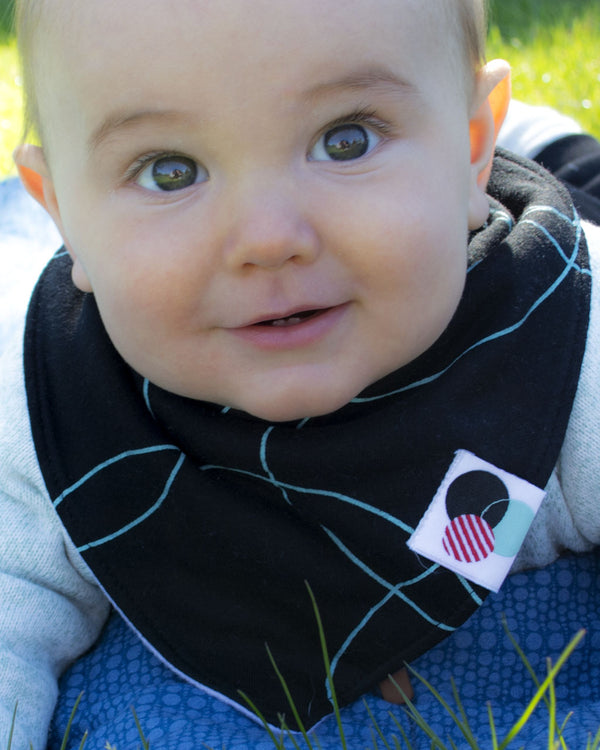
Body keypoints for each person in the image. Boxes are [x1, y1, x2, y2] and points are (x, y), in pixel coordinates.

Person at [1, 0, 599, 746]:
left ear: (472, 147)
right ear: (64, 219)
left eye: (345, 140)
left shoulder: (561, 334)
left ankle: (537, 137)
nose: (268, 237)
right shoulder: (52, 406)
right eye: (169, 170)